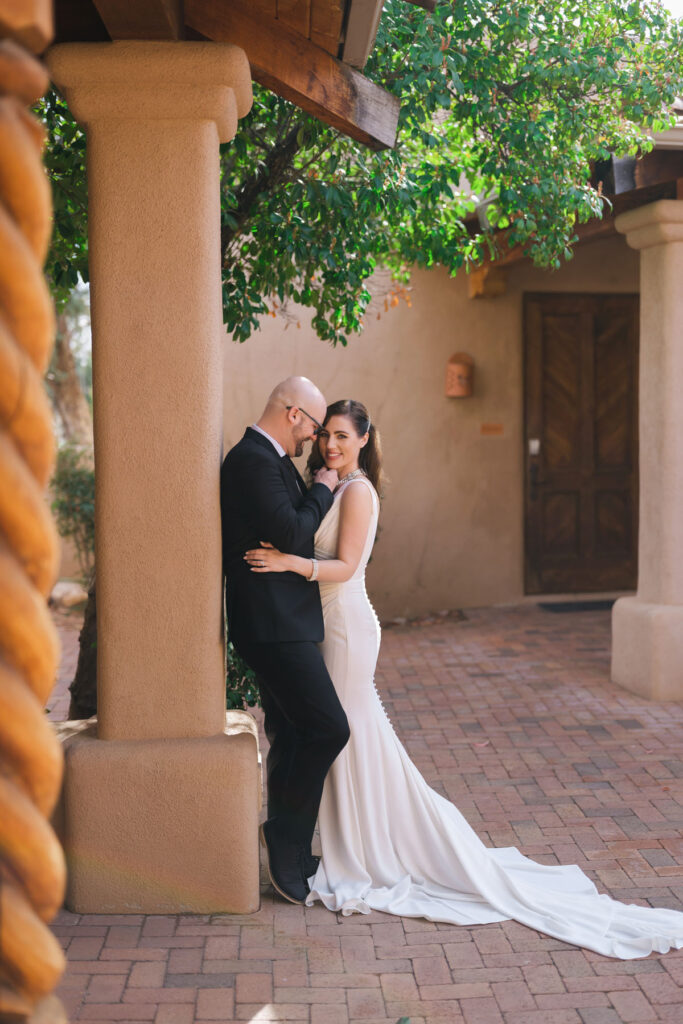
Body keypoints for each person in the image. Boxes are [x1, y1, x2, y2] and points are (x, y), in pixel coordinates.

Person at [245, 398, 683, 960]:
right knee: (350, 739)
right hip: (325, 626)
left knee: (345, 736)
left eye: (342, 437)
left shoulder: (357, 491)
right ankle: (351, 845)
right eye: (326, 435)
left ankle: (365, 850)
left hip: (347, 625)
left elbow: (347, 566)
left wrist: (289, 563)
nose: (331, 445)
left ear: (364, 440)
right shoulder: (332, 485)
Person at [221, 377, 350, 906]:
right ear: (295, 414)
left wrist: (309, 498)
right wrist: (323, 486)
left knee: (295, 733)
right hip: (272, 627)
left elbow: (292, 529)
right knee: (328, 728)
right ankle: (284, 835)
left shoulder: (271, 460)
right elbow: (295, 534)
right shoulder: (252, 460)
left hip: (284, 621)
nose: (315, 440)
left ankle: (292, 853)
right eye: (315, 428)